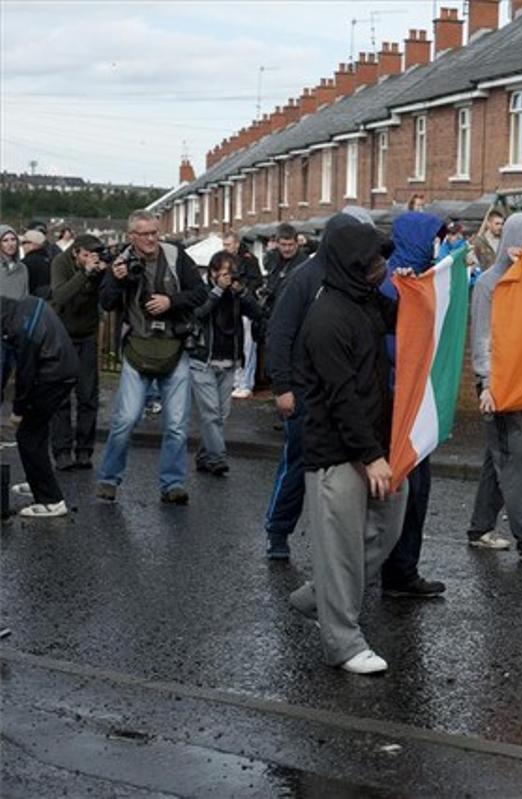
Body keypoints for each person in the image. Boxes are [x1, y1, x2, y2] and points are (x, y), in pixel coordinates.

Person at [287, 221, 407, 675]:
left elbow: (401, 319)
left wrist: (422, 289)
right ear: (349, 266)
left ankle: (320, 595)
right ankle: (343, 642)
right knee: (339, 546)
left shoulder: (363, 299)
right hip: (336, 452)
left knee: (389, 520)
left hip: (371, 442)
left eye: (382, 259)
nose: (382, 268)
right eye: (373, 262)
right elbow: (341, 397)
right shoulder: (327, 318)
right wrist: (371, 455)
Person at [263, 208, 372, 559]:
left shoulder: (353, 276)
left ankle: (340, 548)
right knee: (297, 464)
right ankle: (278, 532)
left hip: (338, 392)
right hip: (306, 393)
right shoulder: (304, 278)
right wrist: (282, 387)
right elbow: (279, 333)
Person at [95, 211, 207, 504]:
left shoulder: (175, 255)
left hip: (174, 346)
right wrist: (117, 280)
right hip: (137, 347)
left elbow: (201, 292)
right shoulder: (121, 261)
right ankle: (108, 479)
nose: (151, 239)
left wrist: (172, 301)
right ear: (131, 236)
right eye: (144, 234)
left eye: (155, 232)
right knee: (125, 420)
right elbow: (106, 302)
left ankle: (173, 483)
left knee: (177, 425)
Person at [467, 212, 522, 561]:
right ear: (512, 242)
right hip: (498, 386)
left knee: (498, 455)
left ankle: (480, 527)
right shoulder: (489, 283)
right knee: (514, 458)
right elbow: (483, 337)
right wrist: (487, 383)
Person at [378, 210, 449, 599]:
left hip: (413, 403)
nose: (437, 245)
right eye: (433, 238)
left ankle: (401, 569)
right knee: (404, 492)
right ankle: (394, 571)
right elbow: (389, 346)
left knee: (416, 491)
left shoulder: (417, 281)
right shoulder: (390, 286)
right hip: (395, 406)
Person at [2, 295, 79, 518]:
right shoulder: (25, 305)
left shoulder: (23, 330)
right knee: (38, 429)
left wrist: (18, 411)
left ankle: (51, 500)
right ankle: (37, 481)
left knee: (27, 435)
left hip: (53, 375)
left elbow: (25, 375)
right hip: (63, 368)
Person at [189, 251, 263, 476]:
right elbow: (198, 315)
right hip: (204, 360)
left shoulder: (236, 293)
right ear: (212, 273)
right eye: (224, 274)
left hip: (229, 361)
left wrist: (241, 293)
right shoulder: (201, 290)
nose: (229, 278)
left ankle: (204, 455)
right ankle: (218, 457)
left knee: (220, 416)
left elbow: (257, 313)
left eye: (231, 273)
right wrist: (217, 291)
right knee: (211, 413)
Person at [49, 234, 106, 471]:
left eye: (93, 256)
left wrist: (100, 274)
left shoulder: (99, 266)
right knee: (61, 396)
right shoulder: (60, 262)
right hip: (62, 334)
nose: (90, 259)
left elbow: (104, 296)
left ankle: (84, 450)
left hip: (87, 334)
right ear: (76, 253)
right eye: (85, 255)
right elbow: (60, 295)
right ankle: (62, 451)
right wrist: (85, 273)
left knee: (88, 395)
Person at [222, 233, 264, 399]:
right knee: (235, 345)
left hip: (246, 307)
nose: (225, 248)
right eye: (224, 245)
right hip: (231, 307)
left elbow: (257, 282)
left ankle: (246, 383)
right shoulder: (225, 261)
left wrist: (241, 287)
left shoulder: (249, 260)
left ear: (237, 244)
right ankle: (237, 381)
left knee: (247, 346)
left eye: (228, 244)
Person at [20, 229, 53, 299]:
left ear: (34, 244)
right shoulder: (51, 261)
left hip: (31, 303)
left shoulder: (25, 263)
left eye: (24, 243)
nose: (23, 246)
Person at [0, 225, 28, 300]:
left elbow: (25, 296)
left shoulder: (22, 268)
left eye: (13, 239)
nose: (10, 244)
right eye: (5, 240)